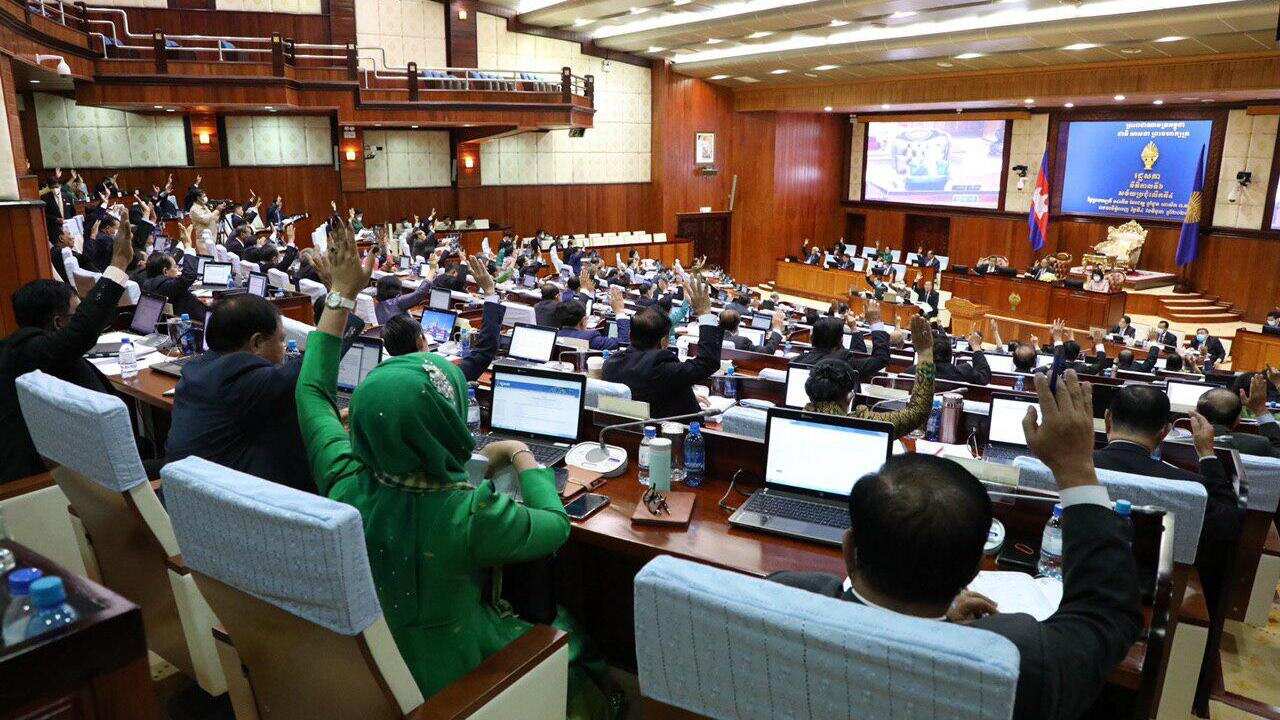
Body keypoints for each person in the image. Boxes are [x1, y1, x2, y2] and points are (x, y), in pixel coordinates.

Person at [295, 219, 615, 717]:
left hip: (364, 672)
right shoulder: (469, 514)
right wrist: (520, 454)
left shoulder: (343, 479)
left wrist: (339, 294)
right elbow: (554, 527)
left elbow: (312, 391)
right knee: (568, 629)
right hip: (459, 677)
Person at [771, 371, 1142, 720]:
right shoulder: (1018, 658)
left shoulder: (782, 598)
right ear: (973, 572)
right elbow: (1106, 613)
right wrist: (1076, 468)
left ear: (849, 550)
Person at [0, 220, 134, 484]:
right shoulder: (30, 351)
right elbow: (81, 332)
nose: (80, 315)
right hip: (48, 480)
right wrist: (118, 263)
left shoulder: (19, 347)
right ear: (59, 323)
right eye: (77, 312)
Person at [1093, 385, 1240, 612]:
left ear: (1107, 419)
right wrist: (1208, 455)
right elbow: (1227, 524)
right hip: (1153, 600)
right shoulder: (1189, 486)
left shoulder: (1069, 466)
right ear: (1165, 431)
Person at [165, 293, 316, 493]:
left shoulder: (195, 370)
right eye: (281, 341)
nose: (284, 351)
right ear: (257, 343)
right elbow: (315, 360)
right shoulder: (238, 377)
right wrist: (341, 296)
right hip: (228, 515)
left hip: (186, 503)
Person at [603, 278, 722, 418]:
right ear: (664, 341)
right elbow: (707, 362)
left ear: (630, 336)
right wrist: (705, 313)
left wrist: (685, 396)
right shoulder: (661, 367)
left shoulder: (611, 364)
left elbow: (648, 393)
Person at [803, 315, 935, 438]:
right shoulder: (862, 425)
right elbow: (918, 412)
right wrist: (925, 353)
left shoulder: (788, 418)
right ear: (850, 397)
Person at [1193, 371, 1280, 458]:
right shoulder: (1260, 446)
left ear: (1196, 415)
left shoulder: (1180, 445)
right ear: (1238, 420)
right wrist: (1260, 410)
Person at [793, 314, 890, 381]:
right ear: (841, 340)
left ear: (811, 339)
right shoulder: (845, 364)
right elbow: (881, 359)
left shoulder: (796, 361)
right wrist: (875, 322)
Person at [139, 252, 203, 319]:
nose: (178, 270)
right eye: (175, 267)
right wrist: (189, 249)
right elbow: (190, 275)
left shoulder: (147, 283)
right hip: (194, 324)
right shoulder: (165, 286)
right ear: (165, 271)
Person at [551, 297, 623, 351]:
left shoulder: (551, 336)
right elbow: (623, 341)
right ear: (583, 320)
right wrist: (620, 313)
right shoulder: (590, 338)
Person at [924, 332, 990, 385]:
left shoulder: (916, 373)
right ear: (950, 354)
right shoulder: (964, 373)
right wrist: (976, 347)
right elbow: (984, 377)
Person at [719, 308, 784, 354]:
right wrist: (777, 328)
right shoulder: (742, 341)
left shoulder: (710, 336)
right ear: (737, 326)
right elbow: (767, 352)